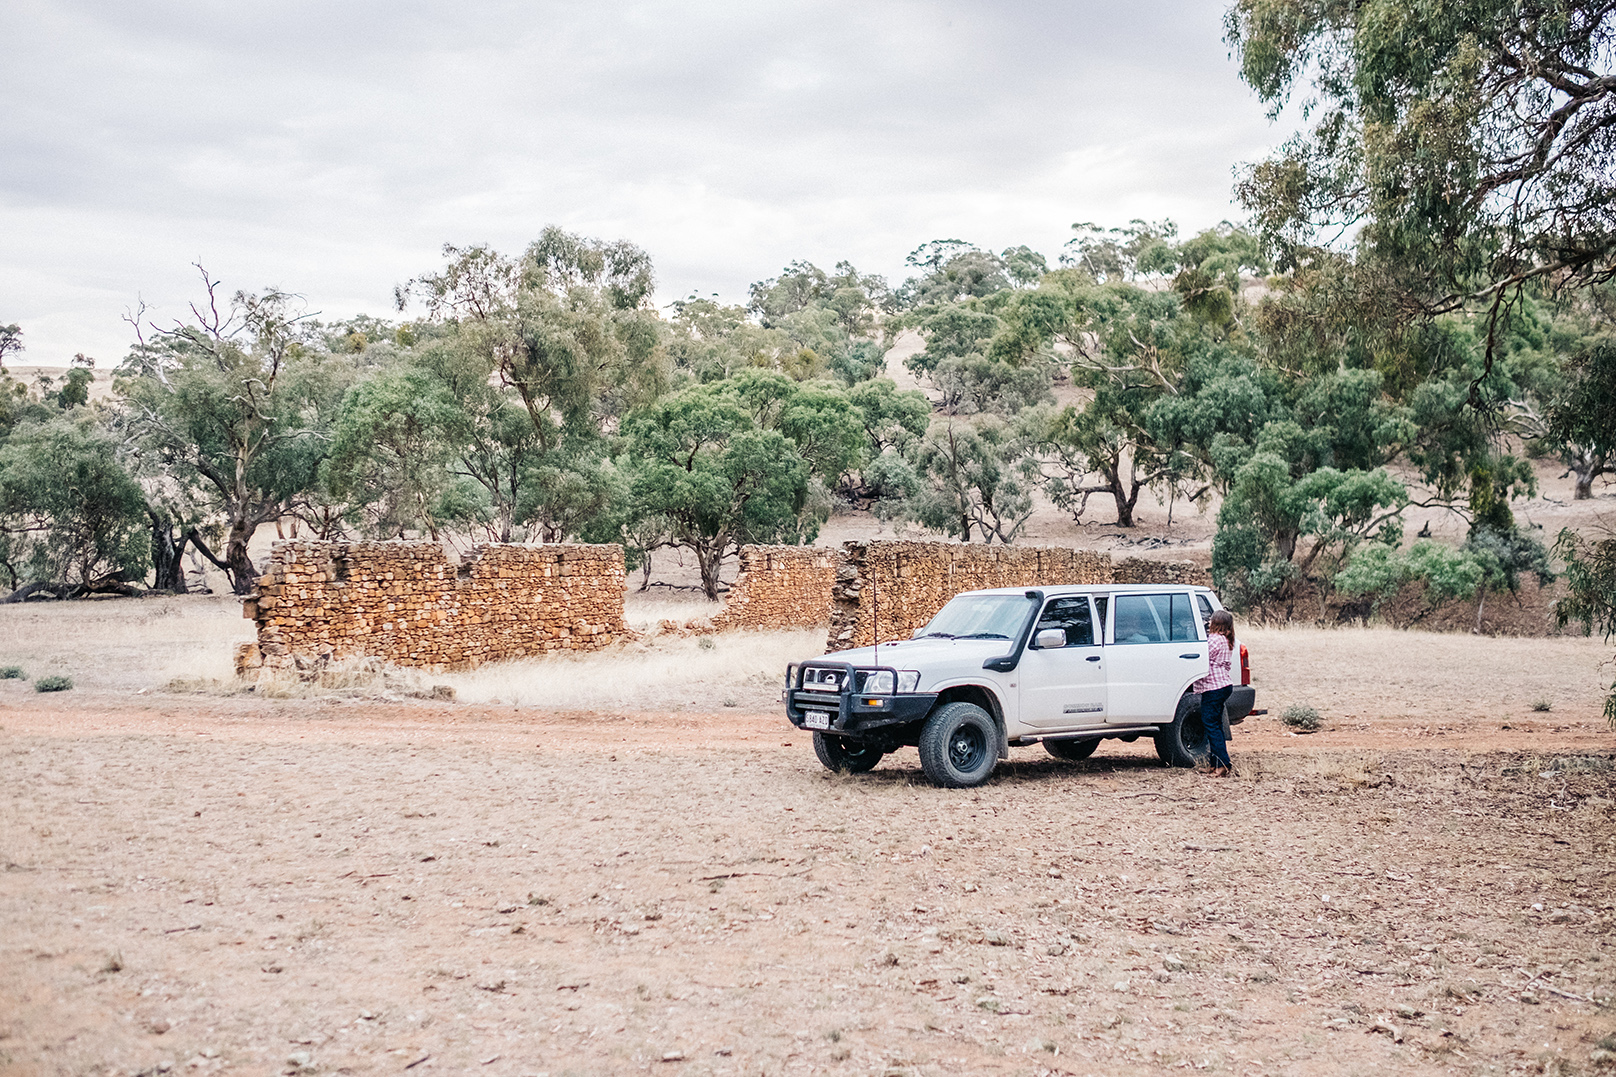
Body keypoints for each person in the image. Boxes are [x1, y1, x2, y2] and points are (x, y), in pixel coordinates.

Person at [1194, 610, 1236, 777]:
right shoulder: (1226, 640)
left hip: (1213, 687)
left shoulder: (1214, 640)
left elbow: (1202, 657)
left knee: (1211, 726)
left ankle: (1223, 764)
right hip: (1224, 685)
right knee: (1215, 725)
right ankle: (1215, 764)